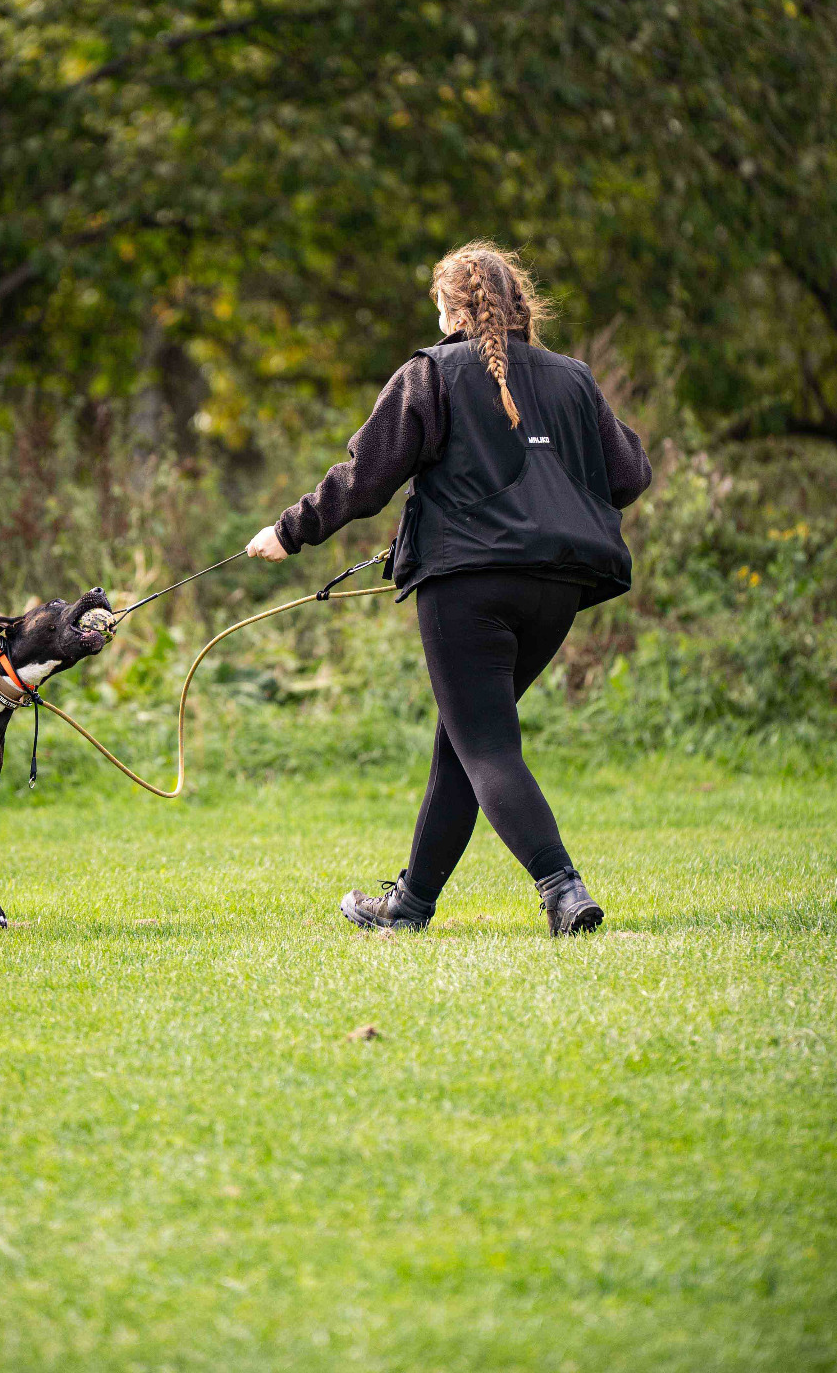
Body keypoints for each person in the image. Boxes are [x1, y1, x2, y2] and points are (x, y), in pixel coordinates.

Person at [246, 239, 651, 937]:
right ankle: (409, 905)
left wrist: (289, 531)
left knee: (486, 747)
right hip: (558, 591)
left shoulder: (431, 372)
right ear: (518, 305)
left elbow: (366, 477)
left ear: (453, 310)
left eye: (438, 305)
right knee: (465, 742)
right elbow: (629, 475)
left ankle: (563, 889)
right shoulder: (574, 378)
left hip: (467, 588)